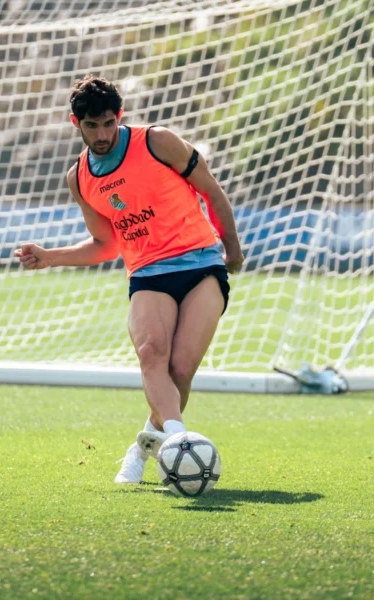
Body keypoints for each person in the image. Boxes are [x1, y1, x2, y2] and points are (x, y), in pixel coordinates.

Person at [15, 75, 243, 485]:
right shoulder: (80, 178)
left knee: (179, 369)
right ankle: (179, 443)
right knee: (150, 352)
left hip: (202, 264)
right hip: (148, 273)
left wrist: (234, 251)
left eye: (107, 123)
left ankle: (142, 449)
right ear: (75, 123)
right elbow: (105, 245)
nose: (101, 134)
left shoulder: (158, 142)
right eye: (91, 126)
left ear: (119, 116)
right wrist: (51, 257)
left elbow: (211, 190)